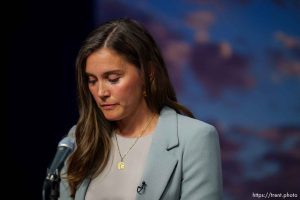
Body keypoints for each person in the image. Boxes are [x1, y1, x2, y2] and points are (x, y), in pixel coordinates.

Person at [58, 18, 222, 200]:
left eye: (112, 78)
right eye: (92, 81)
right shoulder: (78, 139)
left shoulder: (194, 139)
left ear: (148, 73)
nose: (101, 92)